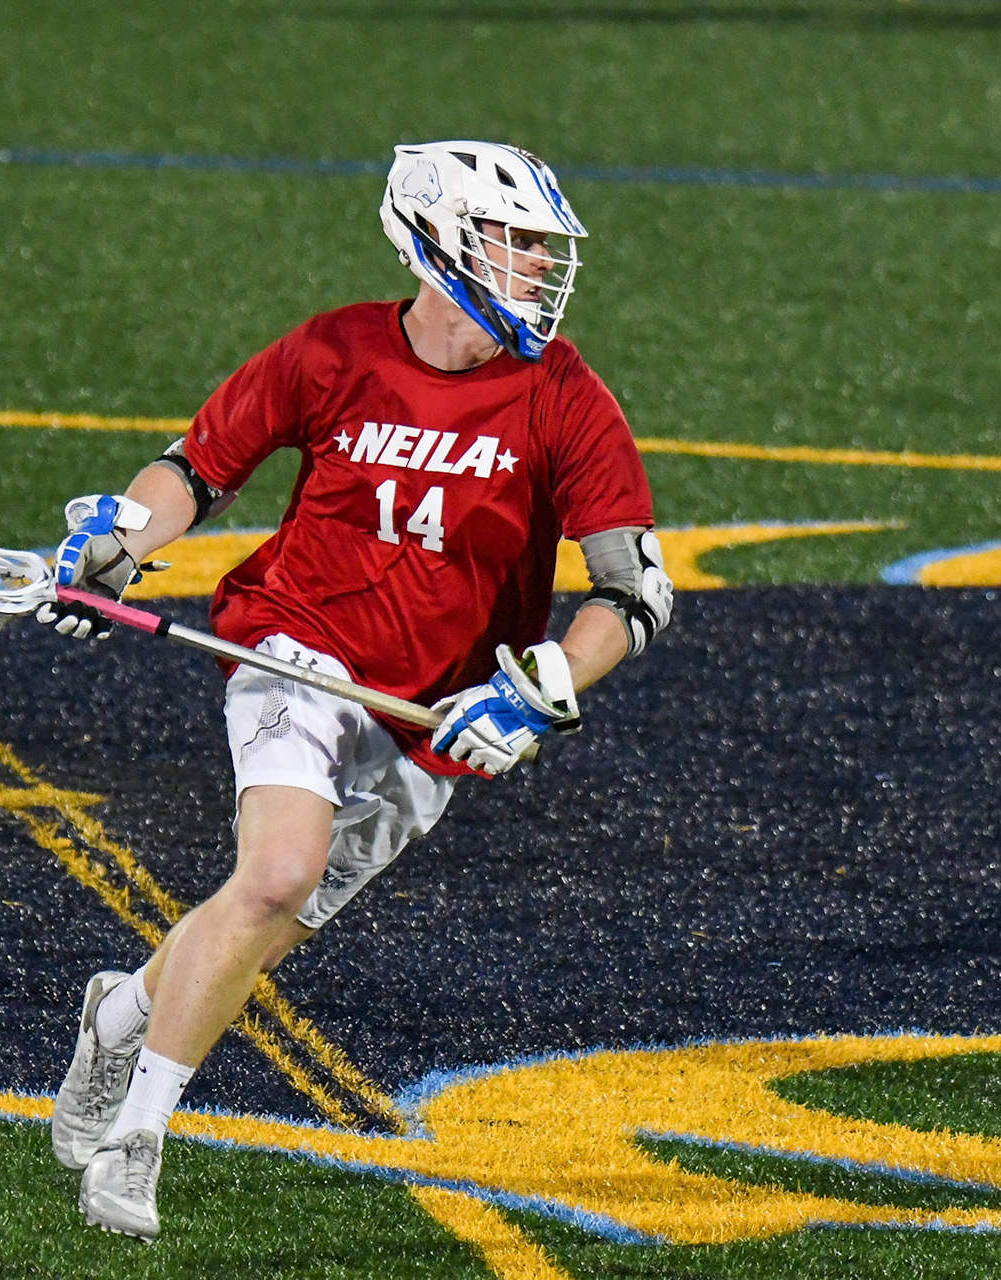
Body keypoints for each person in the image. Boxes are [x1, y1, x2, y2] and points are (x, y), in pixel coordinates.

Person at [40, 140, 674, 1241]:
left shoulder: (565, 394)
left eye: (541, 248)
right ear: (438, 242)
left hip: (442, 708)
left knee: (270, 919)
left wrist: (541, 689)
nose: (537, 268)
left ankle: (125, 1008)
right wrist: (122, 543)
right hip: (302, 647)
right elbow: (194, 470)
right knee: (277, 870)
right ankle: (138, 1133)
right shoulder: (335, 350)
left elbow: (631, 591)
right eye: (514, 243)